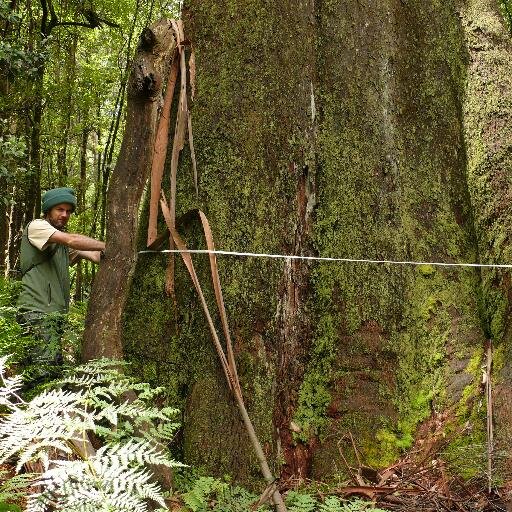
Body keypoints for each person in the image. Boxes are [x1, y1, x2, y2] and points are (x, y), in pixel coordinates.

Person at [17, 187, 105, 385]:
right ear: (48, 210)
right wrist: (108, 243)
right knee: (41, 374)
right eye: (59, 209)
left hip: (53, 315)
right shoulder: (37, 227)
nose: (65, 215)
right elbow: (73, 239)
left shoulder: (62, 245)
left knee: (51, 372)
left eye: (68, 211)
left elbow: (94, 255)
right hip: (37, 312)